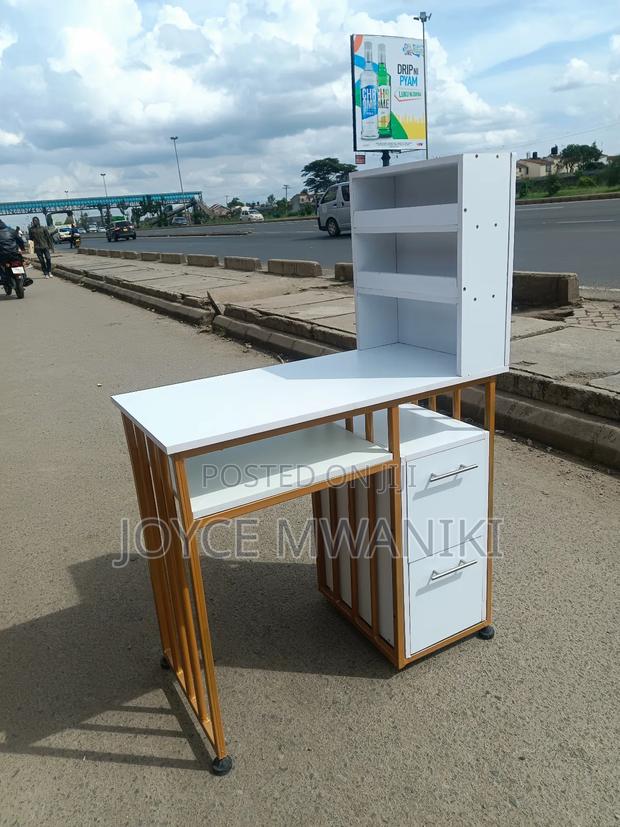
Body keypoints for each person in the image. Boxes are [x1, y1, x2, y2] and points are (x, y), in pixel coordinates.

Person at [0, 219, 32, 286]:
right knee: (20, 263)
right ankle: (25, 277)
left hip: (2, 255)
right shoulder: (12, 231)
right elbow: (20, 241)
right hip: (14, 254)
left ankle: (3, 278)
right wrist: (23, 248)